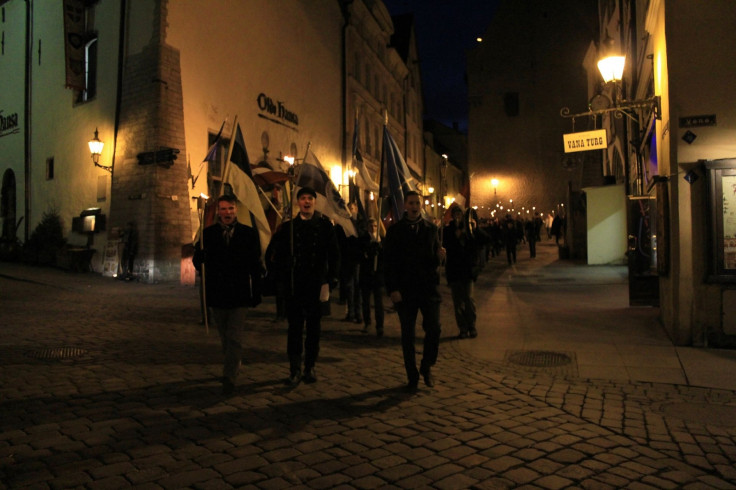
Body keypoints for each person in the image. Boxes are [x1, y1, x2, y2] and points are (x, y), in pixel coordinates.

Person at [192, 195, 263, 395]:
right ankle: (233, 360)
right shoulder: (208, 234)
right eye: (223, 209)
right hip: (217, 293)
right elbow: (198, 262)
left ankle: (229, 376)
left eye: (230, 208)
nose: (227, 213)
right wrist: (201, 257)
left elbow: (254, 265)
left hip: (239, 293)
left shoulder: (248, 234)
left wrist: (256, 290)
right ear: (218, 212)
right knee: (225, 336)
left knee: (234, 337)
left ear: (236, 210)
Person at [269, 187, 340, 385]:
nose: (307, 202)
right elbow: (276, 253)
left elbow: (334, 255)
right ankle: (294, 368)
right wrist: (284, 267)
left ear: (315, 202)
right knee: (295, 329)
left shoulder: (325, 226)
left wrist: (332, 278)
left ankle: (310, 366)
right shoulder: (289, 227)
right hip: (295, 285)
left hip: (317, 284)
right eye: (303, 198)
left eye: (310, 198)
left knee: (314, 329)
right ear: (298, 202)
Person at [384, 191, 445, 392]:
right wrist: (392, 288)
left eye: (417, 203)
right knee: (407, 335)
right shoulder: (395, 231)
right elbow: (389, 263)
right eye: (411, 203)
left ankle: (427, 366)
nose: (414, 206)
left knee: (434, 329)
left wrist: (440, 256)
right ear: (405, 206)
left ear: (421, 205)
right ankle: (412, 375)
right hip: (406, 291)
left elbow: (434, 260)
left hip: (428, 289)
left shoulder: (431, 229)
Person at [443, 207, 482, 339]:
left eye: (460, 214)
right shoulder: (448, 230)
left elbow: (483, 240)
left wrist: (475, 229)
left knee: (469, 300)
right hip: (454, 271)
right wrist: (455, 237)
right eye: (456, 214)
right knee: (458, 303)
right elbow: (445, 245)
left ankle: (472, 325)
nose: (458, 216)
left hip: (467, 271)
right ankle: (463, 328)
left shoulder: (470, 230)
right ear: (453, 216)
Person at [359, 218, 384, 337]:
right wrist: (369, 250)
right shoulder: (363, 239)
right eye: (371, 226)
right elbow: (360, 254)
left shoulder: (381, 240)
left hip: (378, 275)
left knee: (379, 302)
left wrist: (380, 250)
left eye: (375, 226)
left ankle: (380, 325)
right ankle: (367, 322)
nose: (373, 228)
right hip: (366, 274)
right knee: (366, 301)